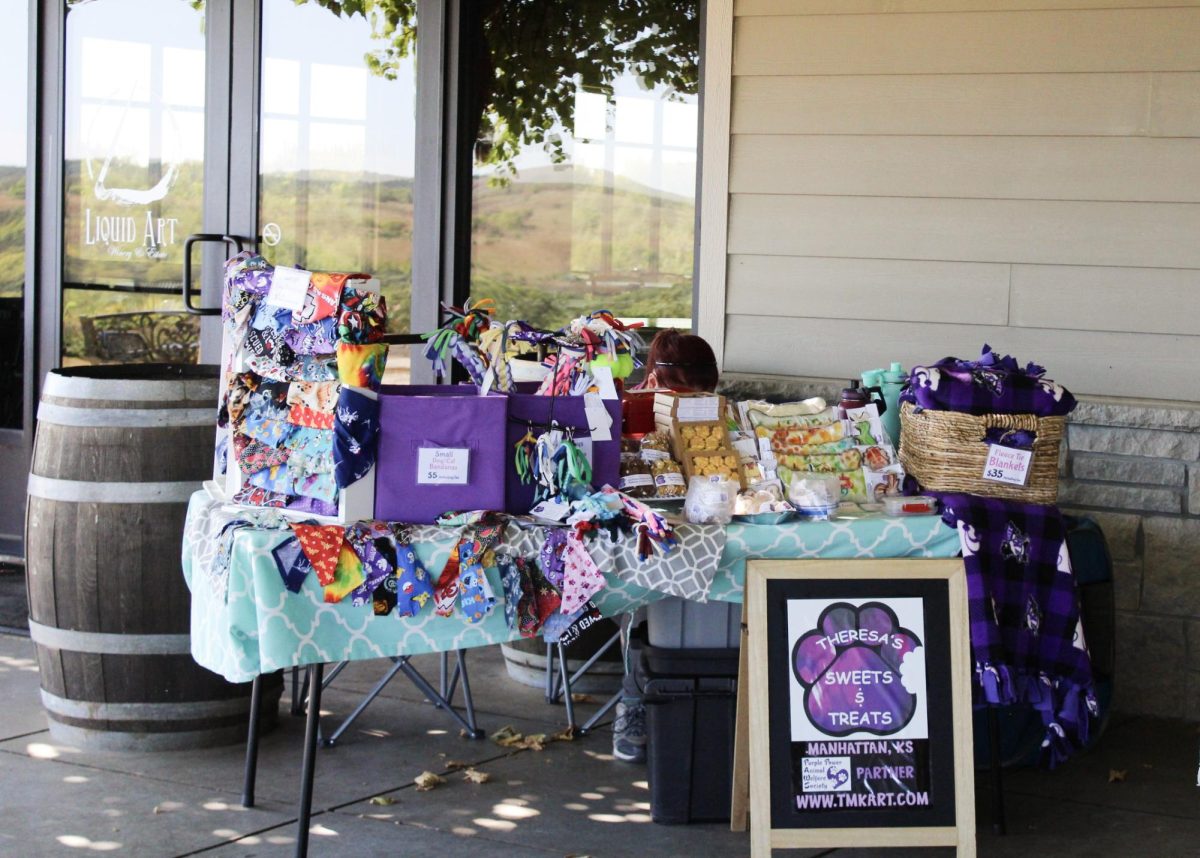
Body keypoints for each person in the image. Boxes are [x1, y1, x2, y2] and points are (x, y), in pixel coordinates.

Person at [612, 329, 719, 764]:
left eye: (699, 392)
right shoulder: (624, 412)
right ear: (656, 381)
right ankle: (632, 703)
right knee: (643, 602)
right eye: (679, 391)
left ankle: (722, 699)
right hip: (641, 533)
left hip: (710, 529)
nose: (689, 399)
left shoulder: (720, 414)